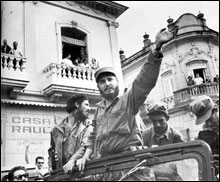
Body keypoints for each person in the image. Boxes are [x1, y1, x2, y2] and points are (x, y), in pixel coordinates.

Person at [81, 26, 178, 180]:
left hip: (132, 165)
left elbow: (144, 81)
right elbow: (93, 136)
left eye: (110, 79)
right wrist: (85, 156)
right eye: (102, 81)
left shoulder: (128, 100)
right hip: (108, 166)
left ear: (116, 82)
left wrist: (156, 48)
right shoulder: (99, 109)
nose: (107, 84)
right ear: (98, 86)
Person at [48, 94, 93, 173]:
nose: (89, 108)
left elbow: (86, 147)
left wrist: (72, 161)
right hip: (62, 175)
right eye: (86, 105)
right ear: (77, 104)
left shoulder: (88, 126)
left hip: (81, 174)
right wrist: (51, 168)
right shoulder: (56, 129)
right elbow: (52, 151)